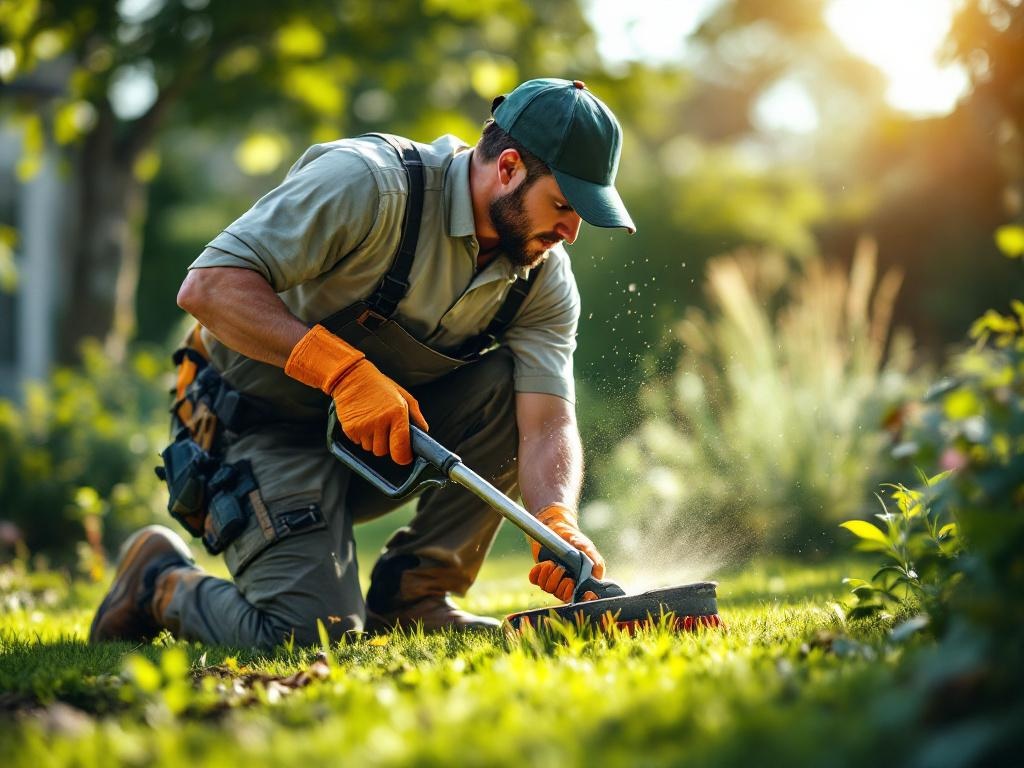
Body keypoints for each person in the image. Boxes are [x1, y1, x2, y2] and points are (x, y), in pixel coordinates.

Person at [89, 78, 635, 648]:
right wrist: (343, 373)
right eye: (564, 206)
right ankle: (158, 582)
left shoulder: (541, 278)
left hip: (372, 447)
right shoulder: (368, 185)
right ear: (508, 168)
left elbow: (547, 421)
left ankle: (414, 597)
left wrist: (555, 517)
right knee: (310, 635)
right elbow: (208, 288)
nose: (572, 231)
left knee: (506, 385)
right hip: (249, 425)